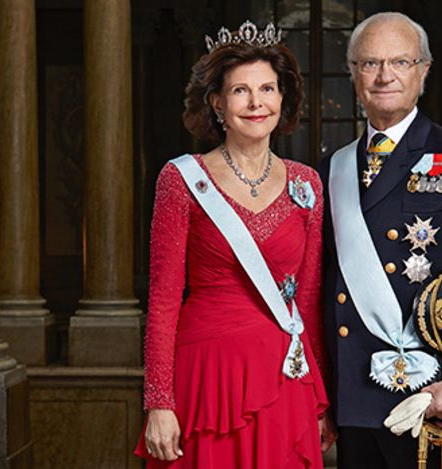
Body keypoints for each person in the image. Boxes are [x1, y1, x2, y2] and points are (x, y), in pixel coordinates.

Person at [134, 21, 335, 469]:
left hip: (285, 376)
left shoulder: (307, 184)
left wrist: (319, 399)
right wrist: (159, 402)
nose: (256, 102)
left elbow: (307, 298)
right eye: (241, 91)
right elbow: (163, 300)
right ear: (217, 103)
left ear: (282, 99)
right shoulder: (182, 179)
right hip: (209, 374)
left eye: (267, 89)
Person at [318, 12, 442, 469]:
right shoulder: (331, 170)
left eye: (400, 62)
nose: (384, 75)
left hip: (431, 395)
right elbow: (321, 287)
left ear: (423, 71)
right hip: (353, 396)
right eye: (370, 63)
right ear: (353, 74)